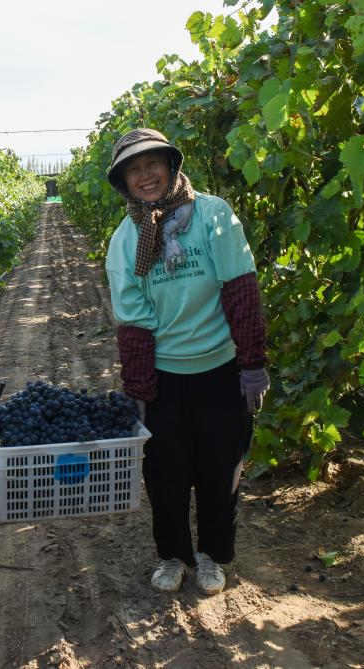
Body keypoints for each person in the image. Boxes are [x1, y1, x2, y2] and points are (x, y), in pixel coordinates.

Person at [104, 128, 270, 596]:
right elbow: (133, 323)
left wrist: (252, 363)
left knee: (221, 474)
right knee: (166, 477)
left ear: (171, 166)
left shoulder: (213, 216)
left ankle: (212, 556)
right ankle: (172, 555)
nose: (145, 176)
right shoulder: (126, 240)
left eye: (152, 164)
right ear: (123, 183)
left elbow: (240, 291)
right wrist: (139, 390)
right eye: (133, 170)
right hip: (165, 379)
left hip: (221, 372)